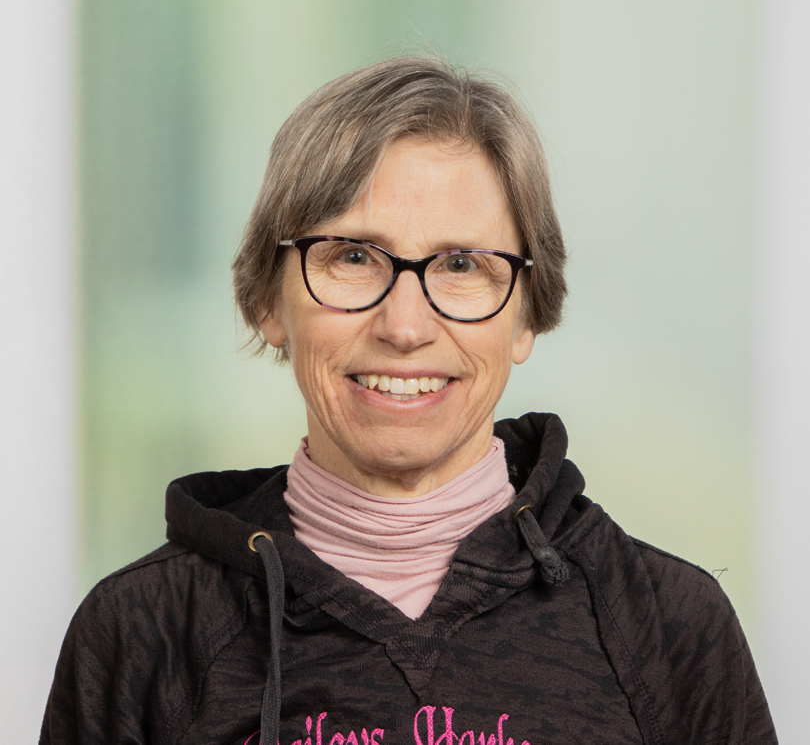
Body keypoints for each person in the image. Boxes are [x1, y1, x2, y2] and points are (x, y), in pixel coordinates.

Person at [41, 56, 777, 745]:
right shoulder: (141, 634)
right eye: (353, 256)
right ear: (268, 300)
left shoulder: (672, 629)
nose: (404, 326)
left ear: (527, 314)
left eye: (462, 264)